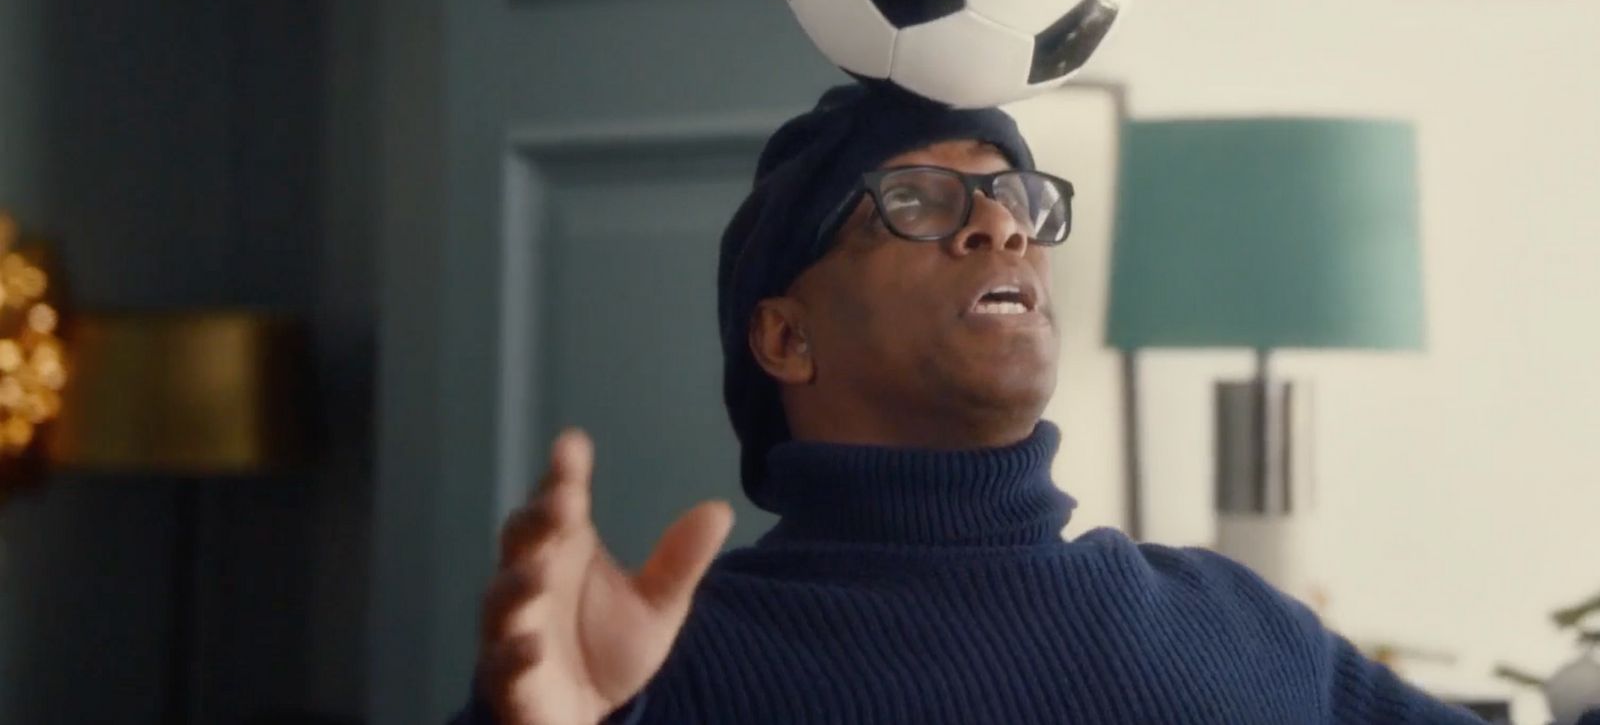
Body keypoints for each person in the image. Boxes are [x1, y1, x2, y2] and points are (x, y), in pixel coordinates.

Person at [455, 82, 1494, 725]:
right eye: (912, 202)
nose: (1000, 226)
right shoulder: (675, 668)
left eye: (1020, 200)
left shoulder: (1238, 622)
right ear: (784, 336)